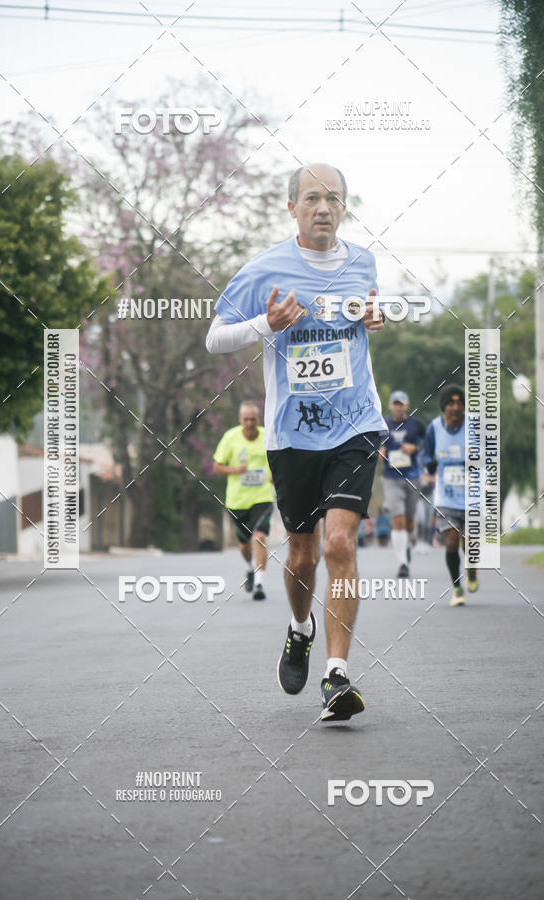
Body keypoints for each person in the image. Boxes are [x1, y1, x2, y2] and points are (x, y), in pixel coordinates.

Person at [206, 163, 386, 721]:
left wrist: (376, 315)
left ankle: (336, 676)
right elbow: (215, 338)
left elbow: (367, 311)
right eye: (312, 198)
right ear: (292, 208)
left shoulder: (363, 261)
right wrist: (267, 324)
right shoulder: (264, 270)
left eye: (334, 198)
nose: (324, 208)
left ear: (344, 207)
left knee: (339, 545)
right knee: (303, 554)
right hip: (293, 435)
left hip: (355, 426)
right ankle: (299, 627)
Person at [421, 384, 479, 606]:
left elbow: (489, 450)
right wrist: (431, 464)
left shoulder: (474, 425)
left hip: (472, 495)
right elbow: (425, 455)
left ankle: (472, 569)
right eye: (451, 404)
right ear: (444, 407)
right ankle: (457, 588)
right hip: (446, 497)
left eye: (459, 403)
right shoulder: (435, 428)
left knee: (471, 543)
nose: (455, 408)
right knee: (452, 542)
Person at [213, 401, 274, 601]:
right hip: (237, 501)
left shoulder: (268, 437)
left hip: (262, 497)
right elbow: (217, 467)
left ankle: (260, 583)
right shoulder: (231, 438)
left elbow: (277, 461)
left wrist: (276, 475)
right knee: (244, 545)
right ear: (240, 420)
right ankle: (250, 568)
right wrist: (235, 470)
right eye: (246, 419)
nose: (249, 423)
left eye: (253, 419)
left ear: (259, 419)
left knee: (260, 538)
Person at [379, 390, 426, 578]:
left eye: (401, 403)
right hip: (391, 477)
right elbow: (377, 444)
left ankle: (407, 544)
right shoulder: (383, 424)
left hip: (412, 476)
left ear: (406, 406)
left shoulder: (416, 424)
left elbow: (427, 444)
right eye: (395, 403)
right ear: (390, 405)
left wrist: (415, 448)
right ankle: (402, 563)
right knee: (397, 518)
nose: (398, 407)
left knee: (408, 520)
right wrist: (380, 451)